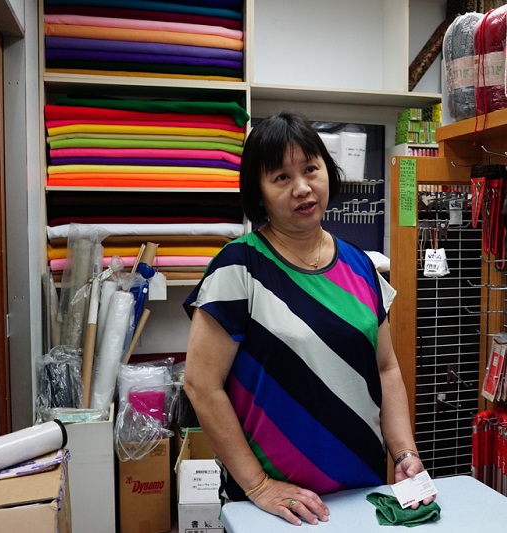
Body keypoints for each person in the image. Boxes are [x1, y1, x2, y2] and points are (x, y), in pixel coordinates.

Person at [183, 111, 434, 526]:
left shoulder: (360, 266)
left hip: (363, 492)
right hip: (276, 509)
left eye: (311, 169)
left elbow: (386, 368)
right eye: (281, 177)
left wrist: (404, 452)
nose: (302, 187)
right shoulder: (238, 267)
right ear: (259, 193)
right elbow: (201, 385)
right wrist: (259, 486)